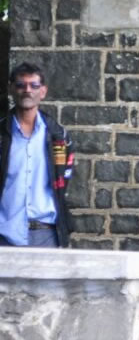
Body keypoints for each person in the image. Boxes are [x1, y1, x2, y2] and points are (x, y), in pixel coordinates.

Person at [0, 63, 74, 248]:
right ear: (11, 89)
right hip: (5, 233)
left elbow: (63, 181)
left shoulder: (58, 136)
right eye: (21, 85)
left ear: (43, 91)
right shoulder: (1, 135)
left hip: (46, 234)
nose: (27, 90)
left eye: (34, 85)